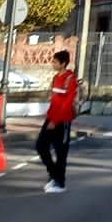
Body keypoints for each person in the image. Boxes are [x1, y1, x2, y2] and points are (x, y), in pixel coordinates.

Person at [36, 49, 78, 194]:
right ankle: (54, 175)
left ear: (63, 63)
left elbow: (67, 102)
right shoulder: (55, 78)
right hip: (52, 117)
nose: (52, 63)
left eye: (55, 61)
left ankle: (60, 183)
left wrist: (56, 119)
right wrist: (49, 116)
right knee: (41, 145)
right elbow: (54, 100)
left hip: (63, 119)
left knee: (61, 151)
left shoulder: (70, 79)